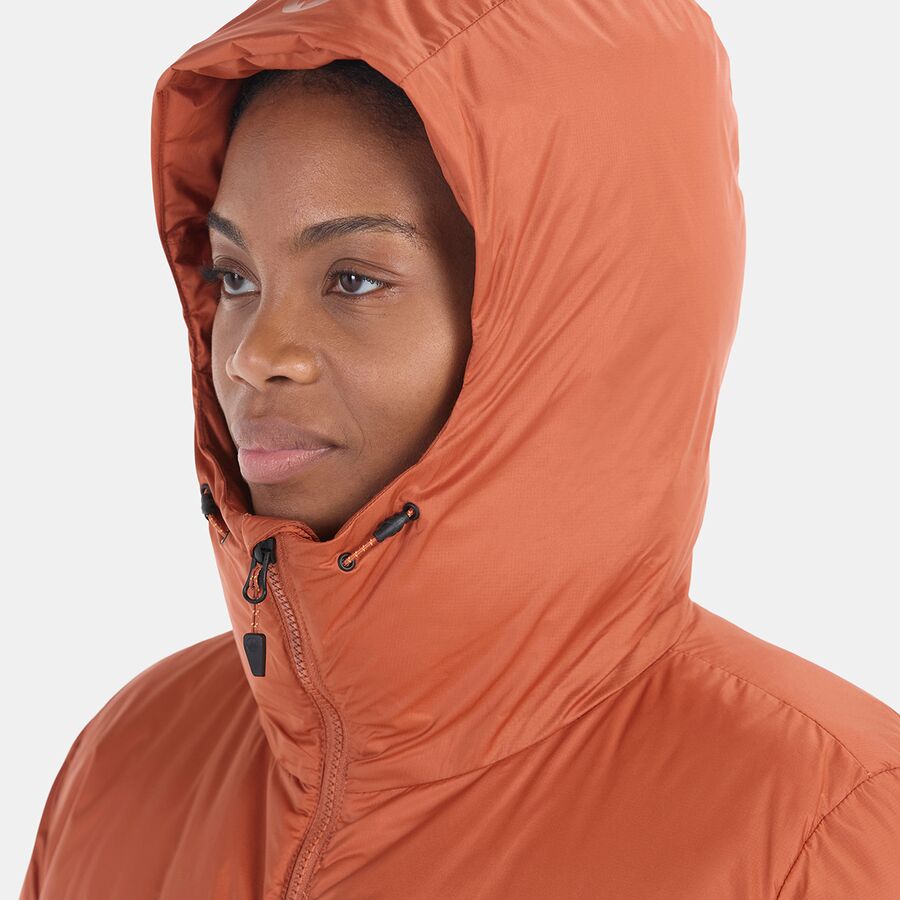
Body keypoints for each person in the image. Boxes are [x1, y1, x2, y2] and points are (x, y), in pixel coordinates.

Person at [20, 1, 900, 898]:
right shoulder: (124, 765)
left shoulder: (824, 832)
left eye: (352, 279)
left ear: (568, 331)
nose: (253, 353)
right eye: (235, 277)